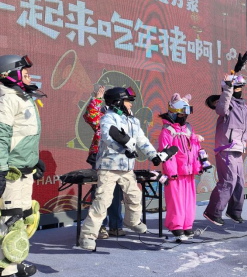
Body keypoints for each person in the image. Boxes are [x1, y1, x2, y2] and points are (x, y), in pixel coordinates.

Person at [79, 87, 176, 250]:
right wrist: (124, 149)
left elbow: (142, 140)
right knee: (102, 201)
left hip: (126, 168)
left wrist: (154, 155)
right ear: (118, 102)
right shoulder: (108, 118)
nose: (131, 104)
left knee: (135, 195)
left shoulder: (133, 121)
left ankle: (132, 221)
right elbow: (108, 137)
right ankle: (88, 236)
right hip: (109, 167)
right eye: (128, 101)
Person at [0, 54, 45, 277]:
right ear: (9, 75)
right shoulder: (7, 100)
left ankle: (15, 259)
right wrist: (0, 172)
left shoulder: (24, 97)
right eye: (24, 72)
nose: (29, 76)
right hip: (10, 172)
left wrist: (34, 160)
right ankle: (1, 276)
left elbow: (24, 136)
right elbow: (0, 138)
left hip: (24, 169)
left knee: (24, 217)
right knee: (9, 222)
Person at [202, 63, 247, 226]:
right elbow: (221, 109)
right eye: (236, 87)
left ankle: (234, 211)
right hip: (226, 149)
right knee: (228, 181)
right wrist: (227, 88)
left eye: (240, 87)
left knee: (239, 182)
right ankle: (213, 212)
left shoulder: (243, 108)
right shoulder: (227, 104)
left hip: (238, 149)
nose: (239, 89)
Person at [158, 94, 205, 241]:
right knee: (176, 200)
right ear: (173, 113)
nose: (184, 117)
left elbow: (194, 149)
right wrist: (171, 172)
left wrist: (198, 165)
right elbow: (166, 153)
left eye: (185, 114)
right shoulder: (167, 131)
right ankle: (176, 226)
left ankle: (187, 225)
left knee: (189, 200)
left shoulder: (188, 129)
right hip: (175, 172)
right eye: (181, 114)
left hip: (188, 171)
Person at [83, 84, 125, 238]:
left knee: (116, 193)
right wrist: (96, 99)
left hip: (118, 159)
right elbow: (90, 116)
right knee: (101, 193)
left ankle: (115, 225)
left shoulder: (124, 117)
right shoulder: (103, 116)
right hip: (101, 158)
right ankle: (100, 226)